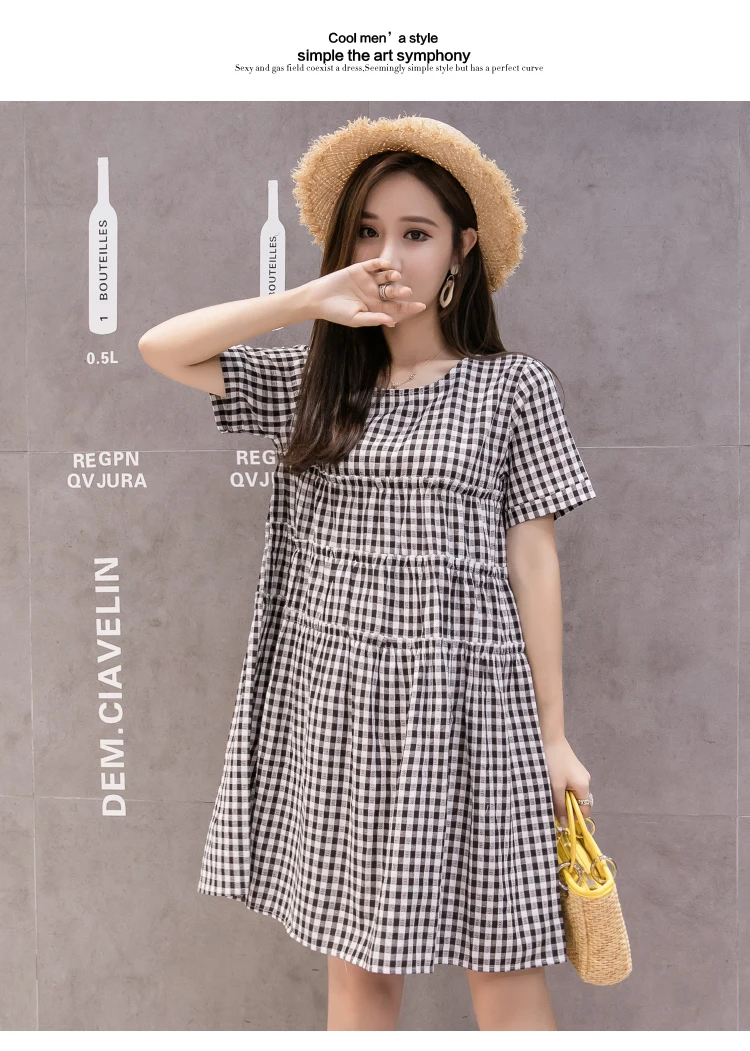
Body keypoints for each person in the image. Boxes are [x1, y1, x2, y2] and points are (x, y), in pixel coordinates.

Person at [138, 114, 598, 1032]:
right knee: (358, 978)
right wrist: (309, 301)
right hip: (340, 711)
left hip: (473, 709)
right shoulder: (321, 391)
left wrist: (553, 736)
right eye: (367, 233)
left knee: (506, 975)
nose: (388, 257)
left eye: (416, 233)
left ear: (462, 249)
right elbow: (162, 347)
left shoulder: (512, 387)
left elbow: (534, 558)